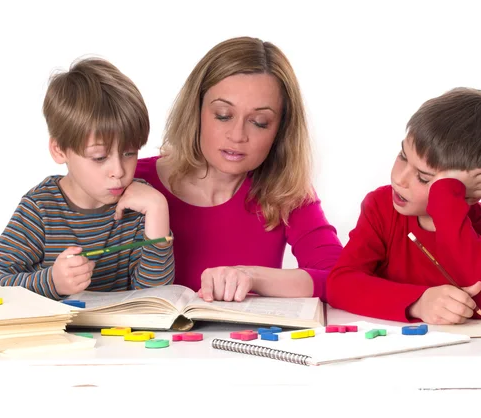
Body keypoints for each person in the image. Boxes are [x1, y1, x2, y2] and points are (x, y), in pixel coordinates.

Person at [135, 36, 342, 302]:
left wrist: (252, 276)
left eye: (259, 122)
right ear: (195, 111)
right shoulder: (133, 181)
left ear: (281, 129)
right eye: (223, 115)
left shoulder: (285, 190)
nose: (237, 135)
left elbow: (340, 278)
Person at [0, 58, 174, 299]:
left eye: (129, 153)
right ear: (60, 150)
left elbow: (154, 300)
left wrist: (158, 213)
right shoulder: (41, 207)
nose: (118, 171)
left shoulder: (141, 203)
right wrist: (52, 282)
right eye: (99, 157)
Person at [327, 87, 481, 324]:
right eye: (403, 155)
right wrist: (418, 303)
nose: (399, 179)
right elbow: (340, 285)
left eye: (424, 177)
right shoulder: (381, 208)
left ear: (468, 191)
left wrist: (447, 201)